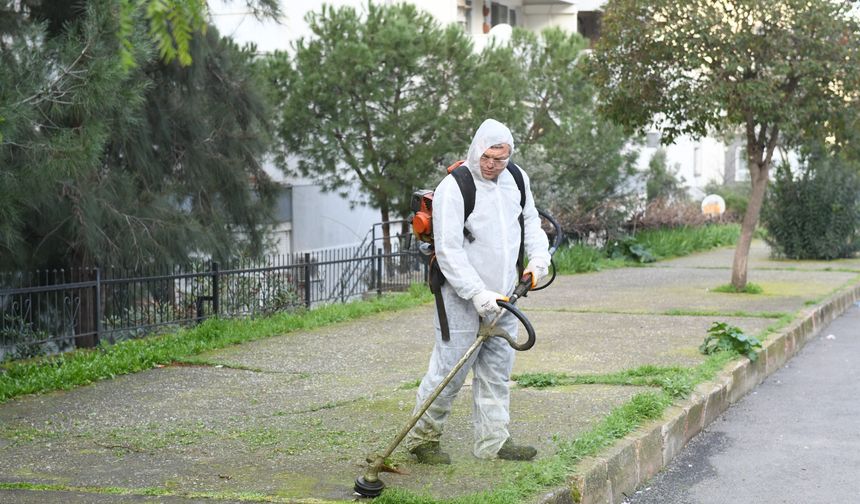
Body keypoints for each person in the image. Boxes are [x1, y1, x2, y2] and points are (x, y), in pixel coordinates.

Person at [404, 119, 551, 464]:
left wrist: (539, 257)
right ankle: (421, 439)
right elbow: (450, 250)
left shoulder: (516, 179)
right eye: (488, 157)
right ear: (476, 150)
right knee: (450, 369)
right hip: (460, 295)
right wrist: (475, 293)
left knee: (497, 369)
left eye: (500, 159)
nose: (493, 165)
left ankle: (494, 442)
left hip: (505, 294)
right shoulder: (454, 188)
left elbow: (530, 222)